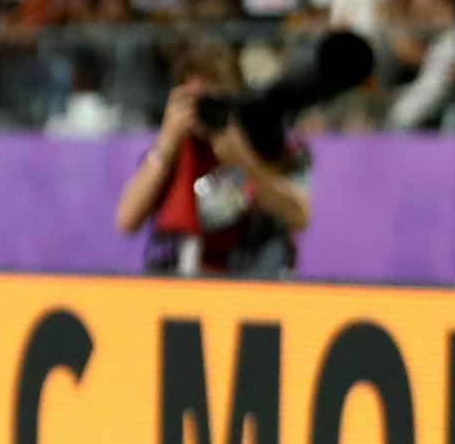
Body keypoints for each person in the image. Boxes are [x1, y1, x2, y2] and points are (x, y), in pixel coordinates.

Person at [113, 45, 311, 276]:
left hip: (243, 278)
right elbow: (126, 220)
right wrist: (166, 143)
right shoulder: (170, 150)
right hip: (177, 278)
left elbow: (300, 216)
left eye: (214, 102)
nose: (204, 111)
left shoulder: (263, 143)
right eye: (193, 101)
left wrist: (244, 161)